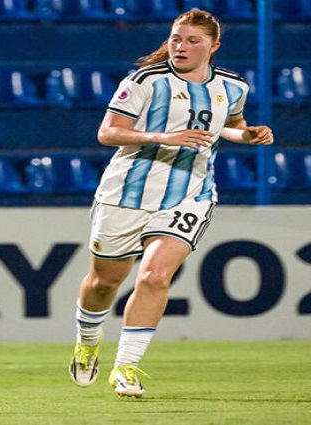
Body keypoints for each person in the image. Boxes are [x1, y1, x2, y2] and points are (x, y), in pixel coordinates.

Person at [67, 9, 273, 398]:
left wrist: (248, 136)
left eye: (192, 40)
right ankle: (87, 341)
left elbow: (230, 124)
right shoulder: (145, 80)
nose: (181, 46)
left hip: (189, 193)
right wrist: (165, 136)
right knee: (104, 282)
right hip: (126, 194)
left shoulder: (233, 86)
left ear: (214, 47)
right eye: (177, 38)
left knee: (156, 276)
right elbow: (109, 132)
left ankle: (125, 367)